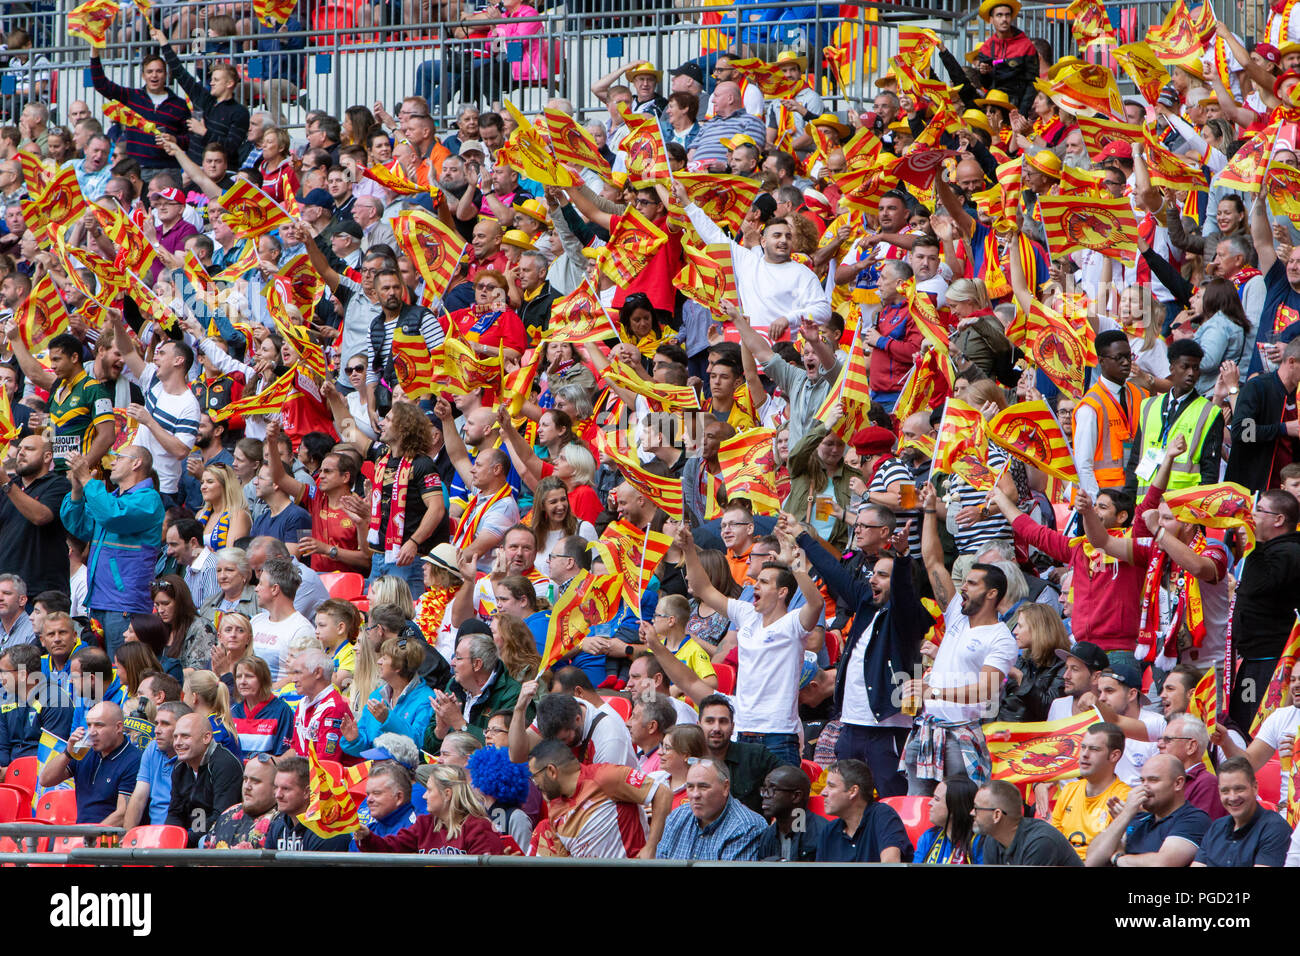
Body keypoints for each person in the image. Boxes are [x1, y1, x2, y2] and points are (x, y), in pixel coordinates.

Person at [677, 525, 822, 766]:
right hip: (743, 731)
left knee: (778, 804)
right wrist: (689, 549)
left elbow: (815, 604)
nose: (755, 585)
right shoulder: (746, 614)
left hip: (780, 734)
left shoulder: (793, 624)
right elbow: (703, 588)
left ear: (782, 592)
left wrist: (794, 564)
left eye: (764, 582)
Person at [906, 483, 1017, 794]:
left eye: (971, 583)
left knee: (961, 816)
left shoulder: (1001, 637)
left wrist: (934, 691)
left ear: (992, 593)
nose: (962, 588)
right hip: (926, 731)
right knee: (918, 810)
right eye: (963, 582)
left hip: (961, 737)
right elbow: (932, 562)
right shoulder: (956, 613)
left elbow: (987, 689)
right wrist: (929, 510)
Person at [60, 447, 165, 660]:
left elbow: (112, 516)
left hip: (124, 604)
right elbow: (78, 524)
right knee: (98, 674)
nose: (111, 462)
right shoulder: (110, 500)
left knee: (122, 670)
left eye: (118, 458)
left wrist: (87, 479)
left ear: (136, 463)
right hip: (99, 601)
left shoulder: (148, 500)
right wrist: (77, 488)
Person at [110, 313, 201, 504]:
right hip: (133, 479)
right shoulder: (153, 380)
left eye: (162, 354)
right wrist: (118, 323)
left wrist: (149, 421)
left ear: (178, 361)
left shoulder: (189, 404)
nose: (155, 358)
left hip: (162, 488)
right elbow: (127, 352)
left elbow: (181, 451)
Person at [528, 739, 670, 858]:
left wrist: (651, 846)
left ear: (552, 771)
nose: (535, 784)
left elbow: (663, 794)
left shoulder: (605, 776)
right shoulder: (554, 809)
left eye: (535, 777)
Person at [356, 763, 510, 855]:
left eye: (429, 790)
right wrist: (366, 836)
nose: (424, 796)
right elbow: (391, 849)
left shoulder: (478, 827)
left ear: (447, 794)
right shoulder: (424, 824)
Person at [1087, 754, 1210, 867]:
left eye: (1153, 780)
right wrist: (1124, 816)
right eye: (1142, 781)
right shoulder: (1136, 818)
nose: (1144, 787)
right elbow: (1092, 861)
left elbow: (1163, 863)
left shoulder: (1194, 819)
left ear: (1178, 783)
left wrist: (1118, 858)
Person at [37, 701, 142, 825]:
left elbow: (123, 814)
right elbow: (45, 780)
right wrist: (68, 753)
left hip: (107, 838)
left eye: (99, 725)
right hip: (81, 833)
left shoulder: (134, 759)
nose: (92, 732)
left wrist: (88, 837)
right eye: (89, 725)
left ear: (118, 727)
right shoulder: (85, 752)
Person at [0, 435, 71, 599]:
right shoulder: (11, 485)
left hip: (42, 591)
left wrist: (6, 483)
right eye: (19, 449)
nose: (21, 453)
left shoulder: (59, 484)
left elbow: (40, 516)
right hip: (6, 589)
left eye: (29, 449)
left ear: (47, 457)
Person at [339, 636, 435, 756]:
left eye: (384, 658)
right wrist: (354, 739)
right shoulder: (377, 695)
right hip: (376, 768)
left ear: (398, 667)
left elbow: (419, 747)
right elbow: (366, 746)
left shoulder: (426, 700)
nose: (379, 662)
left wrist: (388, 719)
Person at [655, 758, 767, 860]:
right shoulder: (677, 816)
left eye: (703, 787)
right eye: (690, 787)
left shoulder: (746, 827)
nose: (695, 795)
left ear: (725, 787)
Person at [1049, 722, 1131, 861]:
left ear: (1114, 756)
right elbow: (1053, 843)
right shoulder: (1069, 790)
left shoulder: (1124, 796)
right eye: (1083, 747)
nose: (1085, 755)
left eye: (1094, 749)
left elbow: (1116, 849)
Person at [427, 632, 522, 750]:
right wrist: (440, 730)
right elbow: (426, 750)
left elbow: (508, 748)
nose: (452, 663)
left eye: (458, 657)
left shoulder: (512, 695)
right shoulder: (454, 685)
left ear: (477, 664)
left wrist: (460, 724)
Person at [1192, 758, 1292, 867]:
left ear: (1255, 788)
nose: (1232, 797)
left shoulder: (1275, 828)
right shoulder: (1216, 828)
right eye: (1225, 791)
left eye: (1239, 789)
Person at [165, 711, 244, 847]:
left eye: (185, 736)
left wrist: (183, 841)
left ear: (206, 737)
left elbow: (222, 817)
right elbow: (175, 812)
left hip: (224, 839)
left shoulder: (225, 764)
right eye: (175, 737)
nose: (177, 743)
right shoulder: (180, 767)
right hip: (192, 836)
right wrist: (172, 839)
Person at [815, 759, 914, 862]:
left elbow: (891, 863)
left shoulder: (883, 816)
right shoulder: (828, 831)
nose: (823, 792)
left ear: (853, 791)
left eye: (831, 786)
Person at [974, 779, 1084, 866]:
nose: (972, 813)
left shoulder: (1040, 842)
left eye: (977, 808)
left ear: (997, 815)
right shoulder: (993, 839)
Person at [123, 701, 190, 829]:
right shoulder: (152, 748)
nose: (157, 730)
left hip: (182, 836)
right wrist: (126, 838)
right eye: (156, 723)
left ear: (182, 728)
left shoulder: (191, 755)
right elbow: (138, 798)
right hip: (153, 835)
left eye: (165, 724)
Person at [265, 755, 354, 851]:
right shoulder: (278, 826)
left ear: (307, 792)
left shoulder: (327, 833)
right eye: (276, 787)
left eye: (286, 789)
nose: (278, 795)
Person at [248, 557, 316, 683]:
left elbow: (305, 676)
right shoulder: (256, 621)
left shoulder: (302, 630)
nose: (256, 588)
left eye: (261, 583)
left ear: (275, 589)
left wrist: (267, 693)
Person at [289, 649, 360, 766]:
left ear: (317, 672)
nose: (293, 679)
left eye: (298, 673)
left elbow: (326, 763)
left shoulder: (334, 708)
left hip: (327, 780)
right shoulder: (303, 703)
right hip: (304, 774)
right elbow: (294, 749)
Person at [203, 754, 281, 849]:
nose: (247, 787)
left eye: (255, 781)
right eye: (245, 779)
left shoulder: (282, 823)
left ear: (276, 787)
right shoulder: (227, 815)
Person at [756, 764, 827, 862]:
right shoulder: (768, 835)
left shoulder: (823, 833)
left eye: (773, 789)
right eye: (765, 790)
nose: (765, 795)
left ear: (796, 796)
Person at [230, 656, 295, 757]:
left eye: (249, 676)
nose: (242, 681)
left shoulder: (281, 710)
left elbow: (282, 756)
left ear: (263, 680)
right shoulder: (233, 711)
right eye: (238, 676)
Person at [914, 776, 986, 864]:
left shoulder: (979, 843)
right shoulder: (929, 837)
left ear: (955, 807)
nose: (930, 803)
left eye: (936, 799)